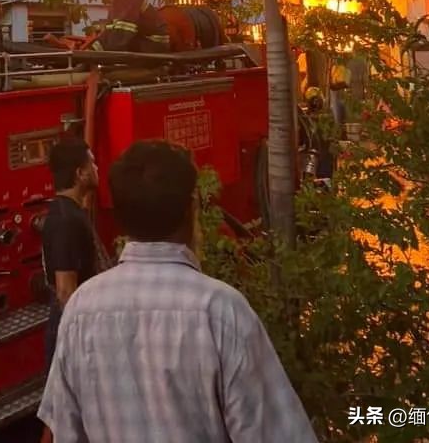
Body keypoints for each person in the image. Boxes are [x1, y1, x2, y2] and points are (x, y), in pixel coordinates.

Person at [38, 140, 318, 443]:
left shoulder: (81, 310)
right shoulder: (221, 312)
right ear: (190, 210)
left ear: (121, 217)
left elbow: (64, 433)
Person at [41, 138, 103, 370]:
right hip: (72, 333)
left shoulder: (71, 213)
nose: (97, 169)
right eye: (93, 164)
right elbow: (66, 291)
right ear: (80, 173)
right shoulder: (66, 221)